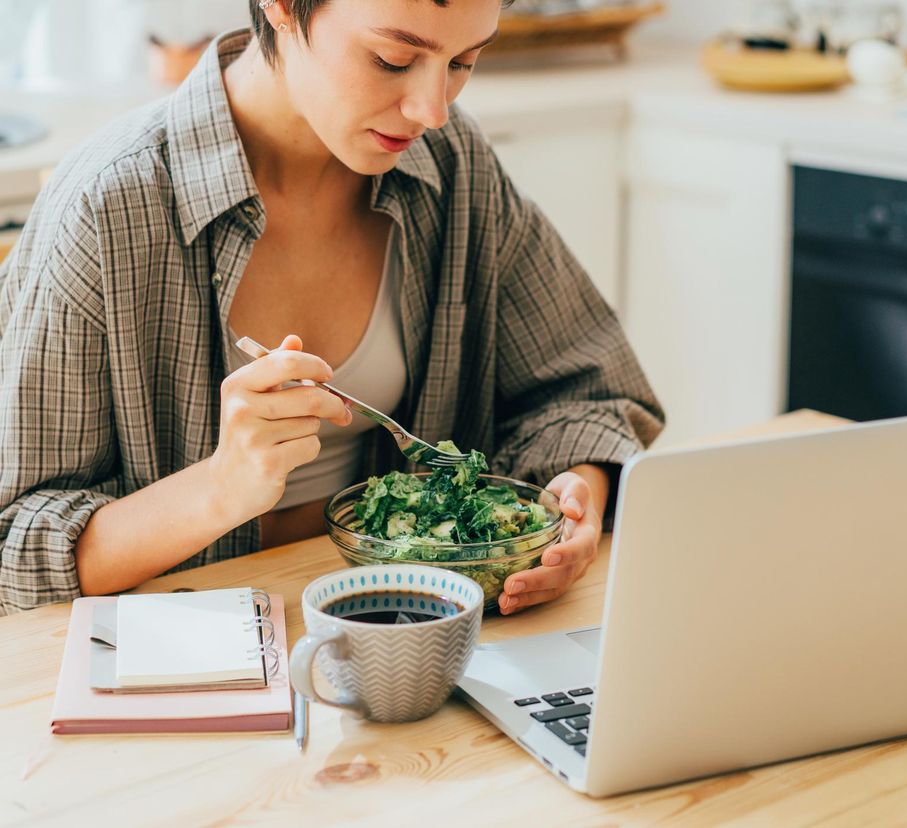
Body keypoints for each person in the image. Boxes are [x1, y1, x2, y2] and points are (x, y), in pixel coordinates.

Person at [0, 0, 664, 616]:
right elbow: (12, 546)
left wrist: (575, 495)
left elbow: (585, 392)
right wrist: (219, 488)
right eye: (393, 60)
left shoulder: (451, 164)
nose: (432, 108)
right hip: (189, 682)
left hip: (412, 646)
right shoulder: (107, 208)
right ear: (283, 6)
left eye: (463, 61)